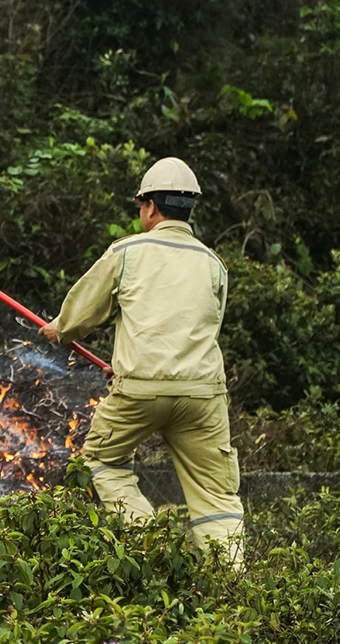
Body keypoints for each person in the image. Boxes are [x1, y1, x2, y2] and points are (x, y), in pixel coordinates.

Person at [41, 157, 243, 567]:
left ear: (150, 207)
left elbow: (81, 315)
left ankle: (152, 544)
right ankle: (231, 587)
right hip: (203, 397)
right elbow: (200, 329)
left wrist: (58, 330)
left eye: (140, 206)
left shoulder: (127, 252)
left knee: (101, 460)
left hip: (139, 392)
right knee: (217, 496)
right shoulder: (214, 265)